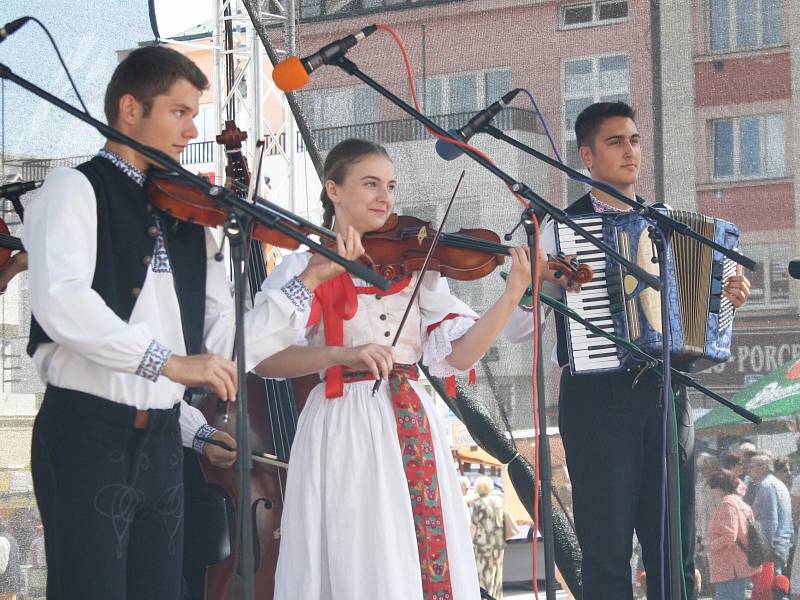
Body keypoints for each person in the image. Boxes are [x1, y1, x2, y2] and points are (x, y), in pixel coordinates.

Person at [24, 46, 358, 600]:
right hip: (88, 432)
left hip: (162, 444)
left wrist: (310, 281)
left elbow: (227, 342)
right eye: (179, 112)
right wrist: (169, 363)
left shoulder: (190, 217)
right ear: (130, 110)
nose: (192, 127)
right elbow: (62, 305)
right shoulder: (73, 189)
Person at [256, 138, 554, 600]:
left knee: (418, 547)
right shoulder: (303, 266)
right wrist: (338, 356)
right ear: (333, 190)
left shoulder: (416, 268)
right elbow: (264, 357)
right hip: (343, 418)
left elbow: (460, 355)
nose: (385, 198)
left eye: (390, 186)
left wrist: (513, 293)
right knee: (358, 547)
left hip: (410, 416)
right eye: (370, 184)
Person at [504, 101, 751, 600]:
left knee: (674, 551)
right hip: (596, 401)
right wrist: (532, 284)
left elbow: (699, 326)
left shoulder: (669, 226)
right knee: (606, 551)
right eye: (616, 141)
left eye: (635, 140)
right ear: (587, 156)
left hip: (666, 396)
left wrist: (728, 304)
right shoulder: (555, 228)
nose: (630, 150)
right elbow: (516, 331)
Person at [705, 469, 760, 599]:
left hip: (728, 567)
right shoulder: (742, 503)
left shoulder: (726, 504)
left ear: (718, 487)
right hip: (739, 565)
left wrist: (711, 545)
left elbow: (730, 536)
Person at [749, 453, 794, 574]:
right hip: (782, 542)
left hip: (772, 545)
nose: (749, 469)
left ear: (763, 467)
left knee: (770, 586)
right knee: (777, 586)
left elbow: (770, 520)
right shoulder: (778, 484)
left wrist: (766, 548)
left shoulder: (767, 486)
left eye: (752, 466)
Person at [470, 476, 507, 599]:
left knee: (484, 577)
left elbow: (474, 525)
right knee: (497, 577)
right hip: (498, 543)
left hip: (483, 545)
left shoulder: (479, 504)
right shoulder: (499, 501)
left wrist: (469, 542)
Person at [0, 519, 21, 600]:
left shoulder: (2, 539)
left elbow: (1, 567)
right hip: (11, 582)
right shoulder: (10, 538)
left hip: (4, 585)